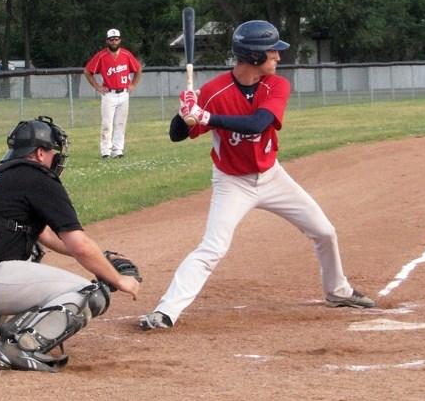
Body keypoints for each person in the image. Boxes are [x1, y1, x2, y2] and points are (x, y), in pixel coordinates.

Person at [139, 21, 375, 331]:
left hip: (272, 177)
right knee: (213, 247)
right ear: (253, 57)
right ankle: (165, 312)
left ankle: (337, 292)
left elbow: (257, 124)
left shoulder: (276, 85)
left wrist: (207, 116)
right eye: (272, 51)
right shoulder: (213, 91)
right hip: (232, 182)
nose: (278, 56)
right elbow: (176, 135)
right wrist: (184, 114)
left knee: (324, 232)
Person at [0, 116, 141, 372]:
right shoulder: (38, 178)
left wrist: (103, 256)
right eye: (53, 150)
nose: (56, 156)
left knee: (30, 249)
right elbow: (78, 243)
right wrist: (116, 279)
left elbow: (45, 235)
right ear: (40, 152)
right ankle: (22, 346)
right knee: (88, 293)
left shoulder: (1, 177)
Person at [83, 28, 143, 159]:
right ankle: (105, 151)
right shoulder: (101, 56)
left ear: (120, 40)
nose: (114, 42)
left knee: (120, 123)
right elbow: (87, 71)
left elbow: (138, 69)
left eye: (116, 39)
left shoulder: (126, 55)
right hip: (109, 94)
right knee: (107, 124)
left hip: (123, 93)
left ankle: (118, 150)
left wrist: (133, 84)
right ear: (107, 41)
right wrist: (97, 86)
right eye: (111, 39)